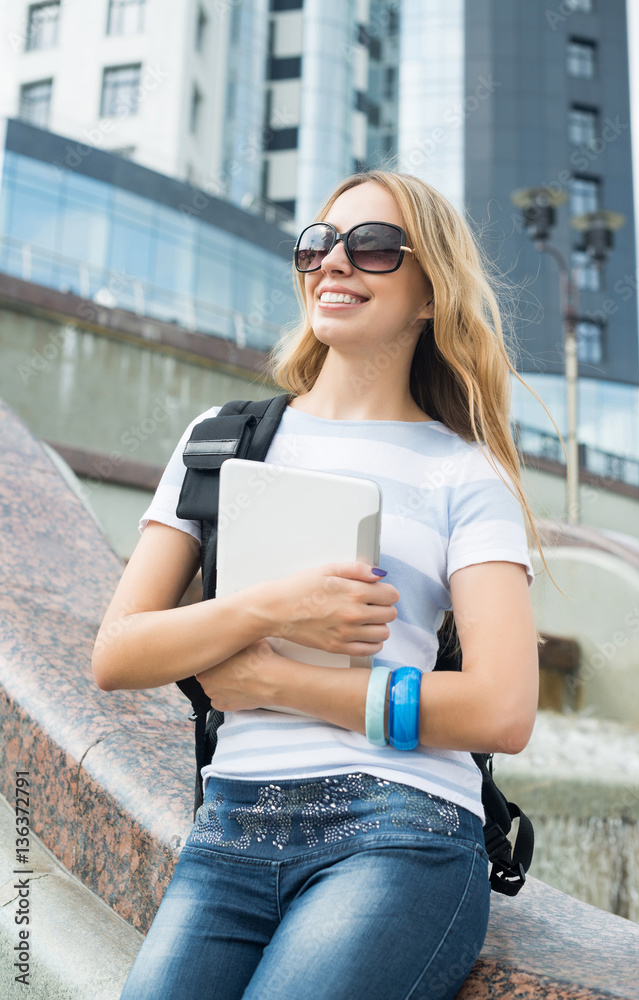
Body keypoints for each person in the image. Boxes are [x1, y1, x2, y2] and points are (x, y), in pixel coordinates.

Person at [94, 169, 554, 1000]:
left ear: (427, 294)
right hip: (229, 832)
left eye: (373, 248)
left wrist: (278, 682)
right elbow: (118, 652)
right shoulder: (221, 442)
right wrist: (269, 606)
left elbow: (502, 708)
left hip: (399, 831)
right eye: (318, 244)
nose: (334, 263)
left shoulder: (465, 474)